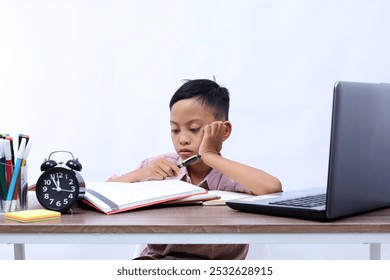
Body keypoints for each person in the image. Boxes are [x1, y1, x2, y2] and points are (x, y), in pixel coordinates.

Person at [108, 78, 282, 259]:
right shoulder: (158, 167)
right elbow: (103, 193)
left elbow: (272, 187)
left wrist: (210, 156)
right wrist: (140, 174)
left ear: (224, 130)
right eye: (175, 130)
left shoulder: (233, 175)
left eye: (194, 129)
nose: (182, 139)